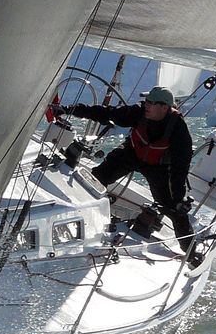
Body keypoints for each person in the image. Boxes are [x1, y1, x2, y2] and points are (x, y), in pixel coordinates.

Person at [59, 85, 196, 255]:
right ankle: (76, 221)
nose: (146, 105)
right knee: (94, 181)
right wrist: (68, 109)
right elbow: (105, 113)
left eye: (151, 102)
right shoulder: (138, 112)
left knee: (174, 210)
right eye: (146, 101)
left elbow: (180, 168)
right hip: (131, 154)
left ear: (165, 107)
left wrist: (179, 198)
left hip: (159, 167)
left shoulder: (179, 130)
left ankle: (191, 254)